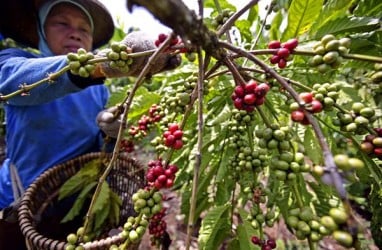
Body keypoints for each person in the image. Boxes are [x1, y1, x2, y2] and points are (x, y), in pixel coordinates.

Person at [0, 0, 180, 248]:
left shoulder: (99, 92)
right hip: (20, 201)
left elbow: (98, 150)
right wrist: (94, 67)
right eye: (62, 23)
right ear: (41, 29)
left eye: (84, 29)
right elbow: (11, 81)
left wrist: (110, 136)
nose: (74, 32)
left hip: (78, 198)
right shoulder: (15, 61)